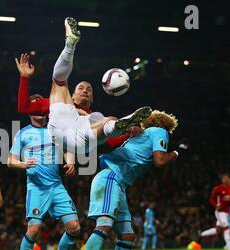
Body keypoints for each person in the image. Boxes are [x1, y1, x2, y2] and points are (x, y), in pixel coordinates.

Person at [74, 110, 182, 250]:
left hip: (118, 183)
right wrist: (176, 153)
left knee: (127, 235)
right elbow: (160, 161)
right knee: (105, 225)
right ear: (166, 126)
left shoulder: (142, 135)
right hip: (111, 178)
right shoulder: (159, 132)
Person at [47, 17, 152, 154]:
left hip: (78, 135)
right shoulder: (59, 104)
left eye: (89, 90)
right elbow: (24, 106)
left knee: (106, 120)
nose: (85, 90)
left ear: (92, 99)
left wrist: (128, 132)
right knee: (60, 83)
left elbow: (112, 141)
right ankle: (70, 44)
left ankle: (122, 123)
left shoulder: (93, 118)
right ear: (72, 96)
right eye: (81, 88)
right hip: (64, 122)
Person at [8, 112, 79, 250]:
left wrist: (70, 162)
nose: (41, 113)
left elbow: (69, 147)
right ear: (31, 112)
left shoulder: (55, 129)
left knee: (74, 227)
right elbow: (10, 161)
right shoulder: (23, 133)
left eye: (43, 109)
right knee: (34, 230)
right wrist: (23, 164)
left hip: (56, 186)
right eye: (37, 110)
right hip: (36, 188)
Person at [201, 173, 230, 250]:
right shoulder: (218, 188)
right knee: (227, 229)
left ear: (229, 179)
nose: (224, 180)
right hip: (219, 211)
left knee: (218, 230)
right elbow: (211, 199)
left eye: (226, 178)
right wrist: (216, 205)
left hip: (226, 212)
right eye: (223, 178)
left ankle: (201, 234)